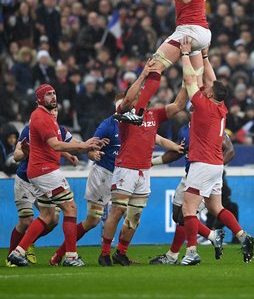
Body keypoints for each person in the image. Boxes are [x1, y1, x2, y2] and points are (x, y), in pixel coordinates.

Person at [50, 93, 183, 266]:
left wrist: (177, 147)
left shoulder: (138, 122)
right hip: (104, 174)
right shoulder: (108, 125)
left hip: (125, 174)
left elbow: (158, 138)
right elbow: (89, 147)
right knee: (93, 220)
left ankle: (120, 253)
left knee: (130, 215)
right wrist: (93, 153)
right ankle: (62, 254)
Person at [7, 84, 108, 267]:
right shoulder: (41, 118)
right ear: (39, 98)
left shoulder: (48, 118)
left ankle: (18, 252)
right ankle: (71, 257)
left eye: (54, 93)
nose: (53, 97)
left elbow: (67, 143)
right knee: (70, 208)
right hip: (45, 171)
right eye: (48, 94)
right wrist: (85, 146)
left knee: (47, 215)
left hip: (39, 171)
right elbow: (56, 145)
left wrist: (88, 146)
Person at [99, 61, 186, 266]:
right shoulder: (125, 115)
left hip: (144, 171)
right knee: (118, 211)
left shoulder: (153, 114)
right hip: (126, 168)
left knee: (135, 214)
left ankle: (121, 253)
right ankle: (104, 254)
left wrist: (187, 80)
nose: (139, 97)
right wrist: (144, 75)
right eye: (137, 95)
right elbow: (128, 98)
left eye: (141, 95)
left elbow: (179, 105)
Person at [179, 37, 254, 265]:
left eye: (208, 89)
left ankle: (191, 253)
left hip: (202, 163)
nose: (206, 87)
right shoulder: (221, 106)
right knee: (215, 206)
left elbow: (190, 78)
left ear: (210, 95)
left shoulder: (203, 105)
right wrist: (204, 56)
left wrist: (184, 53)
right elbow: (212, 79)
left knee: (188, 208)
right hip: (216, 165)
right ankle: (242, 235)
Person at [118, 0, 211, 125]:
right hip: (201, 34)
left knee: (154, 67)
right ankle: (206, 118)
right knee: (195, 81)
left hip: (189, 30)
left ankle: (137, 113)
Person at [150, 106, 235, 265]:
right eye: (190, 109)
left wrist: (214, 166)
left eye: (195, 109)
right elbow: (178, 152)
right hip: (189, 176)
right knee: (178, 215)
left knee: (186, 214)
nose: (190, 112)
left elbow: (230, 151)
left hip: (203, 177)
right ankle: (212, 236)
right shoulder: (184, 130)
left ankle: (174, 255)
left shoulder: (209, 128)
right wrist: (152, 162)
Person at [6, 107, 78, 267]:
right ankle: (12, 256)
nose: (53, 113)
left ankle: (25, 246)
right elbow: (16, 155)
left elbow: (61, 145)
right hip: (25, 180)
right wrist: (25, 152)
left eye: (56, 111)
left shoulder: (60, 130)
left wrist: (78, 153)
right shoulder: (30, 128)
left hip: (43, 180)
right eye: (51, 111)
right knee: (26, 221)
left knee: (53, 219)